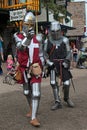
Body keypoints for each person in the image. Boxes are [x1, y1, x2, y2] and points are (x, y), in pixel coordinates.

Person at [14, 11, 44, 127]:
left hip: (35, 68)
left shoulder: (39, 38)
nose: (29, 27)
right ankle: (32, 108)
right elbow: (20, 47)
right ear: (23, 24)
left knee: (36, 93)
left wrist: (44, 66)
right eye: (27, 24)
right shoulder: (17, 36)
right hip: (23, 69)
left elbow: (41, 54)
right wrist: (28, 38)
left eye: (31, 25)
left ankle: (34, 118)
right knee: (27, 92)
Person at [43, 21, 74, 110]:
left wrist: (67, 61)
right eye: (53, 31)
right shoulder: (47, 41)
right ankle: (57, 101)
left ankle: (66, 98)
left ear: (60, 30)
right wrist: (49, 63)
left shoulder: (65, 40)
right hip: (53, 64)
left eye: (57, 31)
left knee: (67, 83)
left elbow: (69, 52)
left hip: (63, 63)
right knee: (53, 83)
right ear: (50, 31)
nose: (55, 33)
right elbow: (45, 54)